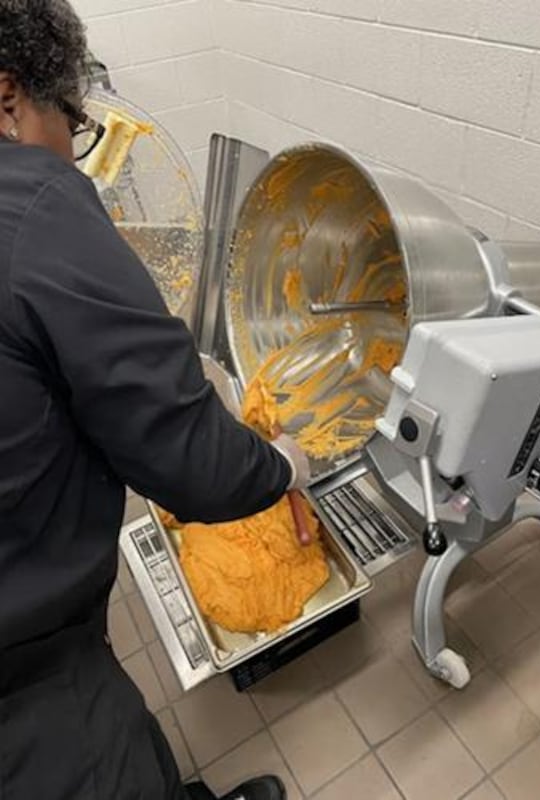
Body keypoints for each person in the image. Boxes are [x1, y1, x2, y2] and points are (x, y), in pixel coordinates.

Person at [0, 2, 310, 799]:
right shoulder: (35, 202)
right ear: (7, 98)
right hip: (28, 673)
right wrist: (282, 464)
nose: (72, 149)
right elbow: (194, 464)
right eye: (70, 120)